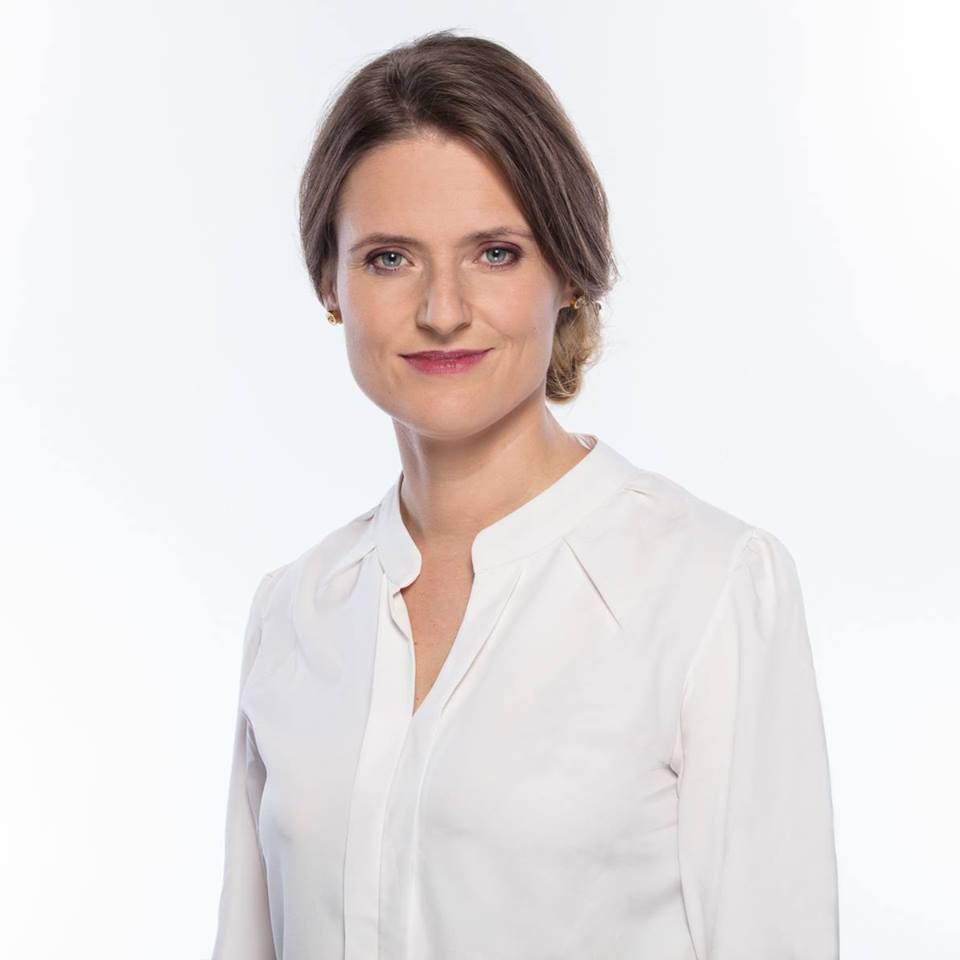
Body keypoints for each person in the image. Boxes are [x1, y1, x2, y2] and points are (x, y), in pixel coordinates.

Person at [210, 28, 839, 960]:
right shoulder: (294, 613)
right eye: (389, 257)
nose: (442, 310)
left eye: (496, 252)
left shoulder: (707, 589)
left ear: (570, 274)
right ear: (329, 283)